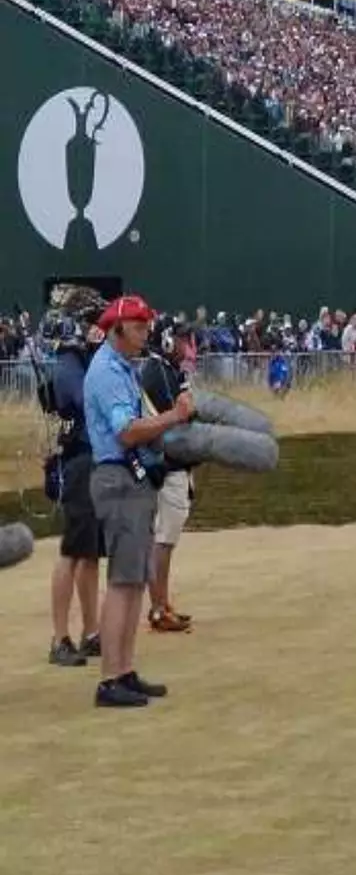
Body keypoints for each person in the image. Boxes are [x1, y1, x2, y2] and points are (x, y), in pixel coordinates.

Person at [83, 294, 194, 709]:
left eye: (146, 325)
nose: (146, 333)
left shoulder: (122, 367)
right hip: (118, 477)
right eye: (138, 327)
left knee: (131, 579)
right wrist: (174, 416)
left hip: (130, 477)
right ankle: (110, 677)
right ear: (117, 329)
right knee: (122, 582)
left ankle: (124, 670)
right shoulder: (109, 372)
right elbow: (127, 431)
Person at [41, 299, 104, 668]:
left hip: (94, 458)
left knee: (90, 551)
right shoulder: (69, 363)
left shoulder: (82, 361)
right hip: (79, 461)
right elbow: (84, 402)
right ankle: (60, 637)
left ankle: (91, 632)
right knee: (72, 550)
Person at [138, 346, 196, 633]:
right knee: (163, 539)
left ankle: (162, 603)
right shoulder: (158, 371)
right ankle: (158, 608)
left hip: (169, 463)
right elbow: (182, 414)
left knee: (165, 539)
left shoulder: (163, 369)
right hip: (168, 465)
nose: (188, 347)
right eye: (183, 339)